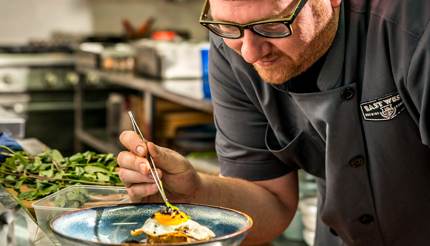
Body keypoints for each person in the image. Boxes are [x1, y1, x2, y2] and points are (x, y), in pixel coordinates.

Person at [117, 0, 430, 245]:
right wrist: (195, 192)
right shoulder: (233, 48)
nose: (251, 53)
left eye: (272, 25)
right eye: (227, 26)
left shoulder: (416, 30)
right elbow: (271, 203)